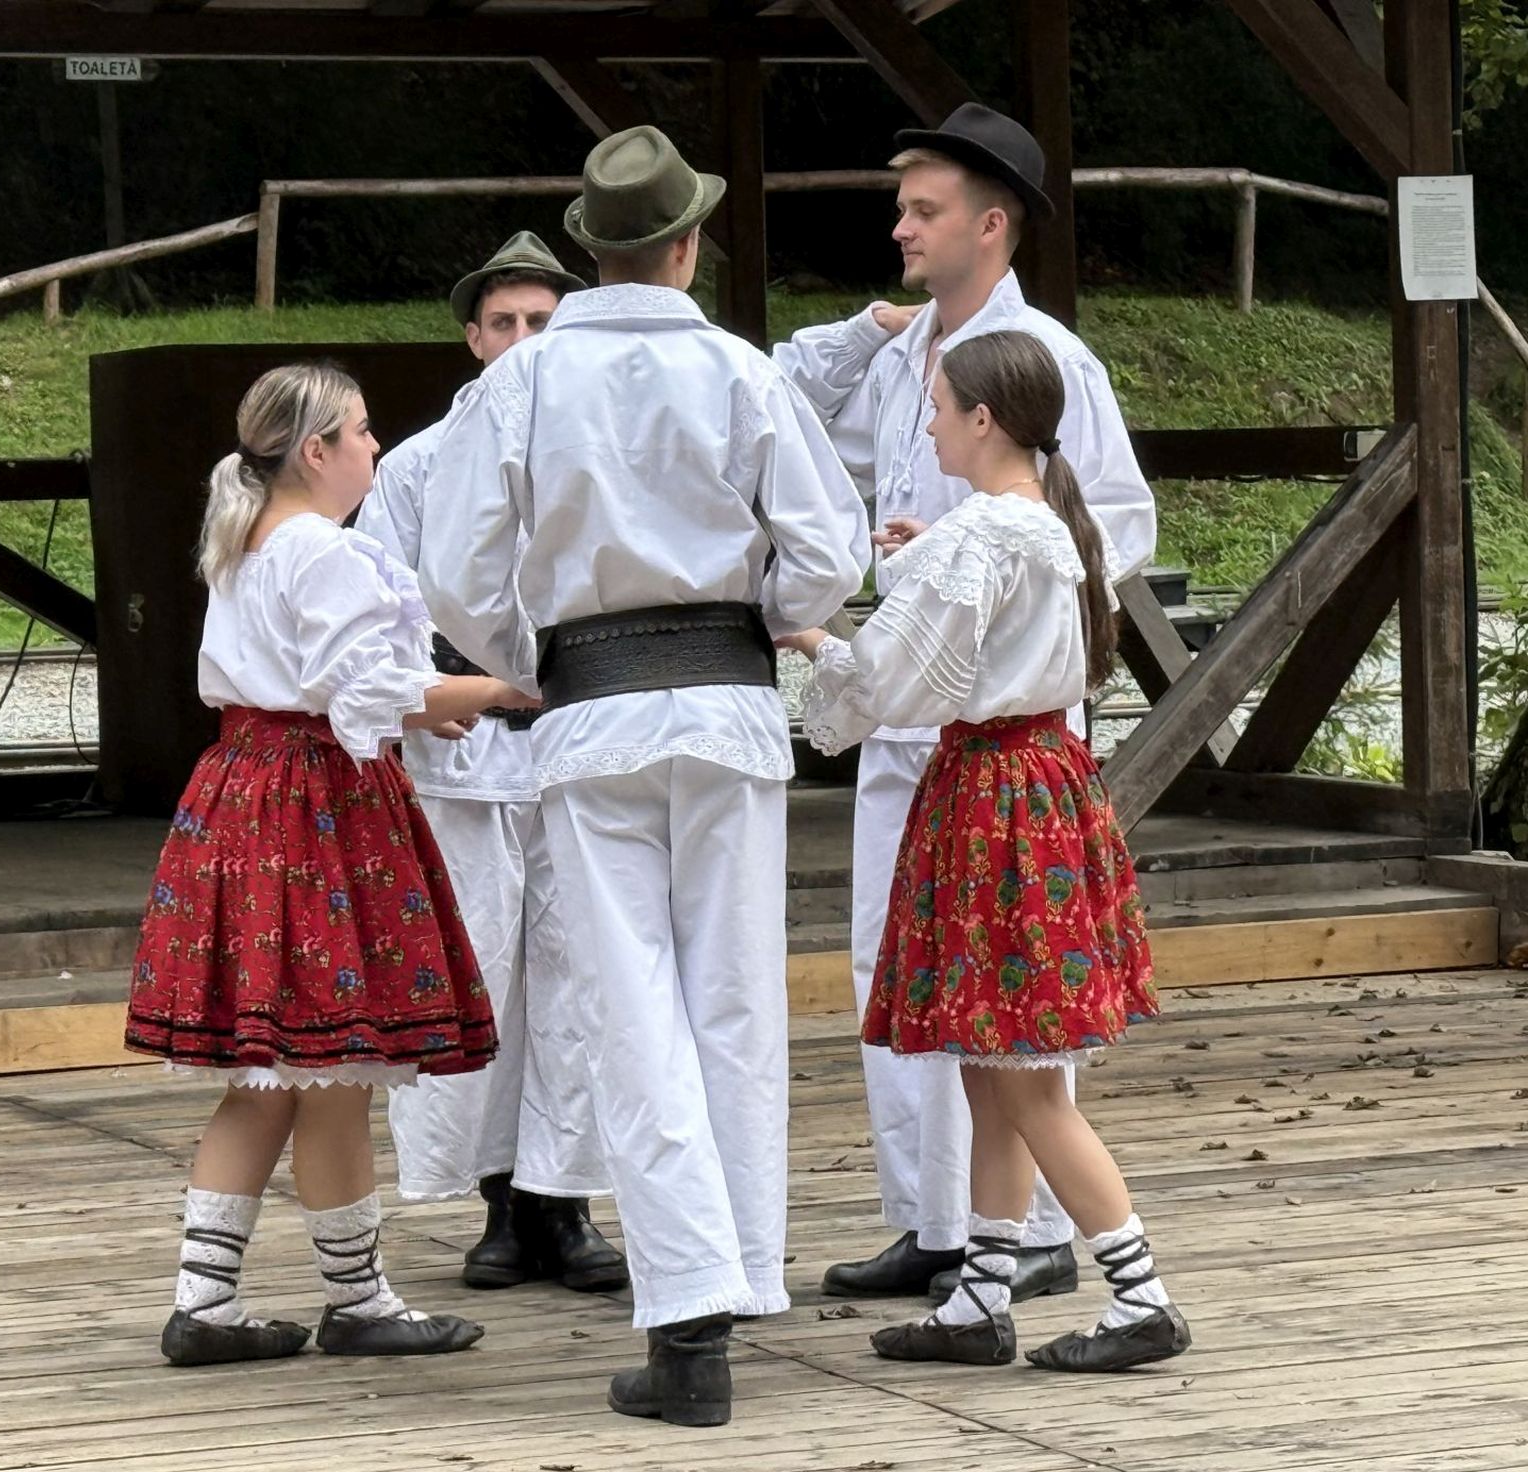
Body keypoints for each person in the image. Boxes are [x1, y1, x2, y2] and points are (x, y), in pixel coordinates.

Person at [421, 126, 870, 1426]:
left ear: (592, 251)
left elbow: (458, 571)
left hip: (596, 714)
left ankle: (690, 1321)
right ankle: (728, 1280)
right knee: (732, 1005)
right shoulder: (741, 371)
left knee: (632, 1011)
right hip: (724, 710)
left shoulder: (523, 383)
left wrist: (534, 657)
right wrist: (757, 618)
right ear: (686, 246)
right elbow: (828, 551)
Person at [774, 102, 1157, 1308]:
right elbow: (812, 431)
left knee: (1011, 983)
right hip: (912, 715)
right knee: (901, 962)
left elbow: (1116, 525)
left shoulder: (1048, 359)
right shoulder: (905, 358)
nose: (901, 228)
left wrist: (987, 577)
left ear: (990, 225)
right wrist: (917, 556)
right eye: (903, 208)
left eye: (923, 210)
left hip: (996, 716)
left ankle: (1033, 1230)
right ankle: (938, 1222)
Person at [124, 360, 536, 1366]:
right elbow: (371, 693)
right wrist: (503, 688)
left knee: (270, 1075)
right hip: (313, 807)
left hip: (244, 789)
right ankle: (358, 1299)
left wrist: (437, 701)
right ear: (315, 450)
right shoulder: (322, 549)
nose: (374, 446)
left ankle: (204, 1302)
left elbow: (333, 684)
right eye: (360, 430)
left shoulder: (247, 542)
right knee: (335, 1066)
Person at [358, 232, 627, 1296]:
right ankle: (500, 1200)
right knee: (478, 974)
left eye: (542, 322)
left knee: (579, 977)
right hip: (465, 759)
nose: (522, 339)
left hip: (577, 752)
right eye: (504, 322)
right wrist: (425, 701)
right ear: (472, 337)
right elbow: (377, 603)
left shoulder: (602, 453)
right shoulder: (418, 465)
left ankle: (569, 1199)